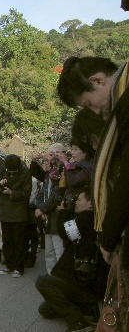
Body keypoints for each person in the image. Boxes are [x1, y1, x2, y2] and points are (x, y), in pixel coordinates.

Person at [57, 56, 129, 287]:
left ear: (97, 80)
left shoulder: (126, 102)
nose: (96, 112)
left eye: (88, 104)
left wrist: (108, 237)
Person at [35, 187, 109, 332]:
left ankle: (77, 322)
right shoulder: (89, 220)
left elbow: (64, 233)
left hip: (84, 285)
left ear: (90, 204)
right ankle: (91, 309)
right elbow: (73, 237)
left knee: (42, 281)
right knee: (45, 309)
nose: (75, 203)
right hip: (86, 283)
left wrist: (62, 212)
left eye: (79, 200)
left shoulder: (87, 217)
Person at [0, 154, 32, 278]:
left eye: (13, 171)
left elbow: (26, 192)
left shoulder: (26, 172)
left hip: (19, 211)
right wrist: (0, 184)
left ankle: (19, 267)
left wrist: (12, 192)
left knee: (19, 241)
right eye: (9, 171)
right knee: (7, 241)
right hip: (5, 210)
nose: (10, 173)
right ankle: (9, 265)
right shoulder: (1, 169)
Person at [31, 144, 66, 274]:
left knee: (59, 252)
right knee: (49, 253)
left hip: (56, 217)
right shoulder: (48, 174)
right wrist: (41, 208)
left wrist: (43, 209)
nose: (48, 159)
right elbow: (41, 193)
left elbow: (56, 195)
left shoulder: (63, 171)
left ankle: (60, 280)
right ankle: (51, 277)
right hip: (47, 218)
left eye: (52, 155)